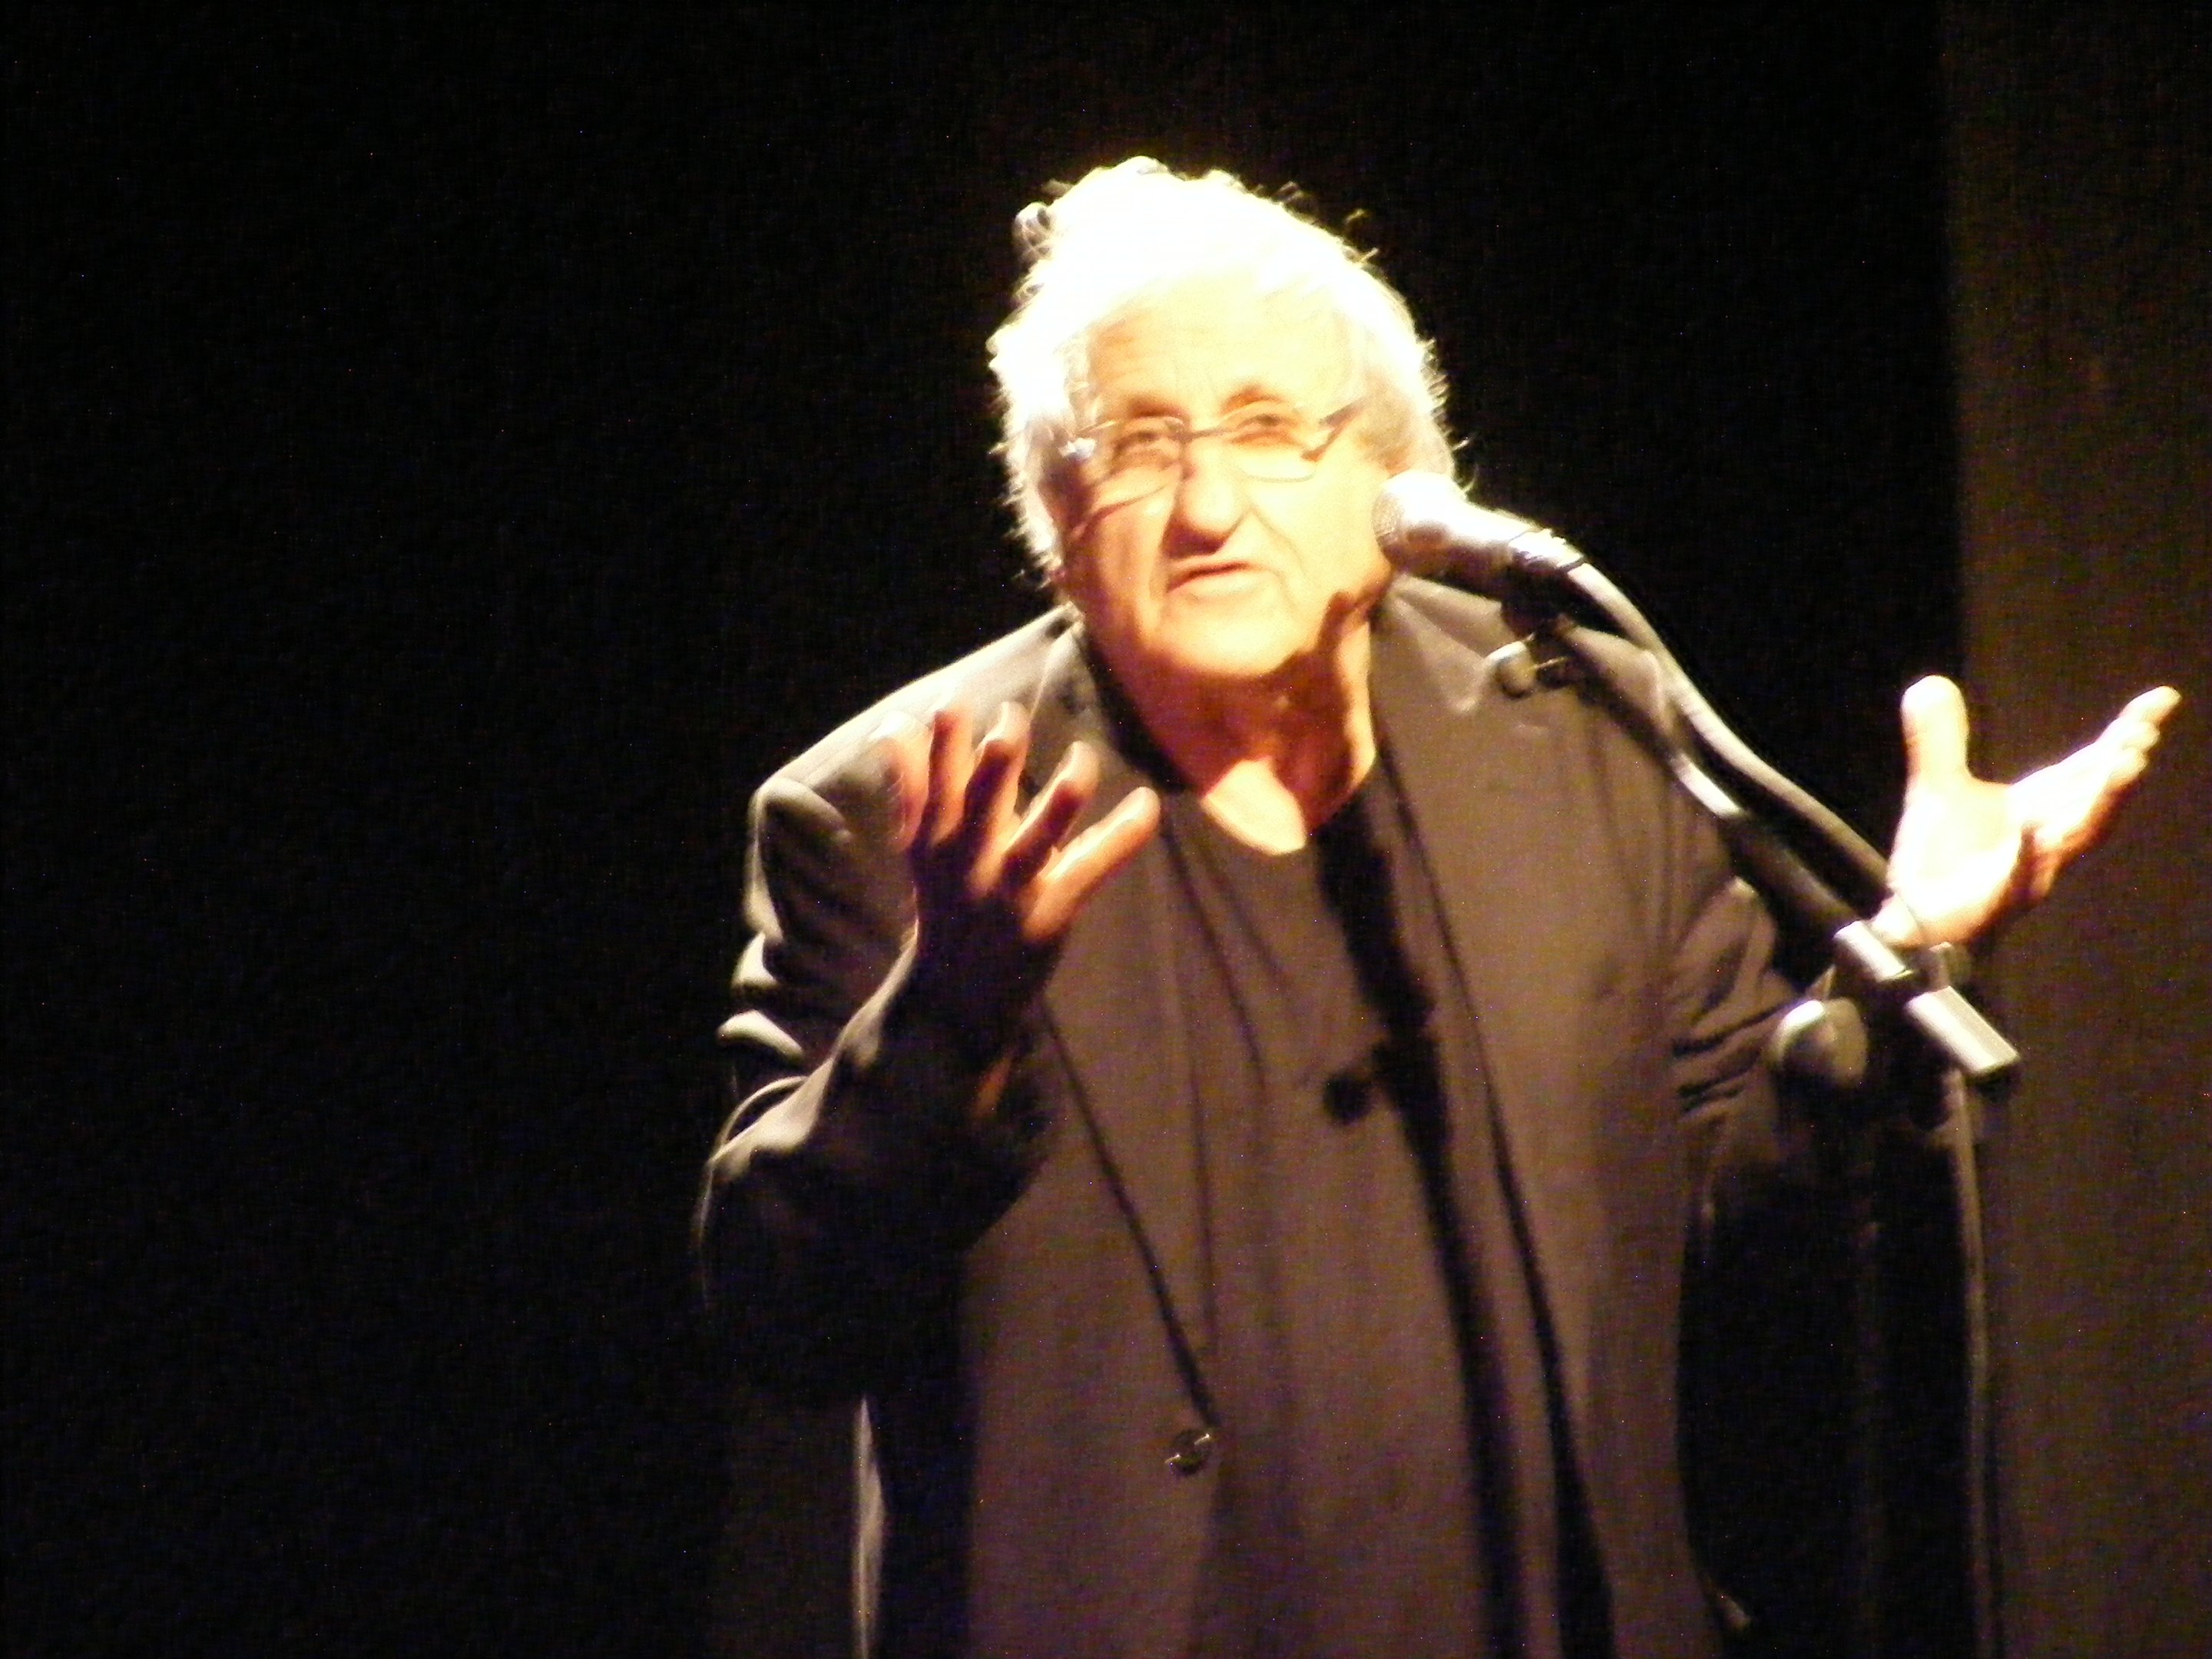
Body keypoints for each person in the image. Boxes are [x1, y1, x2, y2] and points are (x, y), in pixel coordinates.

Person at [697, 159, 2176, 1659]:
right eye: (1141, 444)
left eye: (1268, 429)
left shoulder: (1585, 731)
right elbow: (783, 1316)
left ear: (1396, 489)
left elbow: (1742, 1240)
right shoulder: (900, 810)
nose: (1208, 505)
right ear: (1059, 512)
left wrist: (1904, 955)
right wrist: (946, 1018)